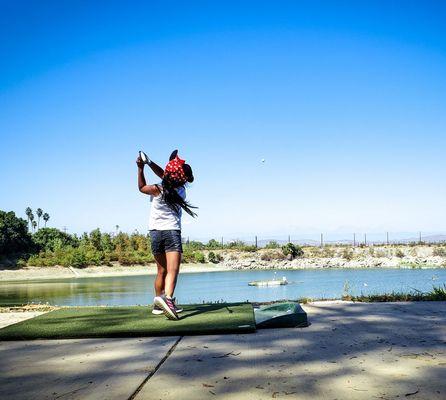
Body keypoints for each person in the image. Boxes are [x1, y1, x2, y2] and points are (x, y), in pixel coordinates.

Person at [136, 150, 196, 320]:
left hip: (154, 233)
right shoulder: (180, 190)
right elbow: (166, 175)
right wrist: (149, 163)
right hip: (171, 232)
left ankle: (157, 305)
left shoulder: (157, 189)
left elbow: (141, 187)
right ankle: (168, 300)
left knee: (161, 271)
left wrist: (142, 167)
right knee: (173, 271)